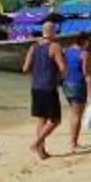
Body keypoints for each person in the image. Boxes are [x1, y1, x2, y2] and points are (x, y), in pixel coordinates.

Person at [23, 23, 65, 161]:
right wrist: (59, 76)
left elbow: (25, 68)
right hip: (48, 87)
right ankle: (36, 144)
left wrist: (37, 72)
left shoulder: (34, 47)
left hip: (35, 87)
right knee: (55, 120)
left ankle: (41, 151)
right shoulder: (55, 47)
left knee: (42, 119)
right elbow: (62, 67)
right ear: (53, 32)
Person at [61, 28, 91, 151]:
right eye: (89, 41)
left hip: (66, 84)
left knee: (73, 113)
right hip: (78, 85)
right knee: (77, 115)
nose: (90, 44)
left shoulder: (67, 50)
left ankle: (73, 140)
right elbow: (87, 73)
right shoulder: (84, 54)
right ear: (84, 41)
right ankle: (73, 143)